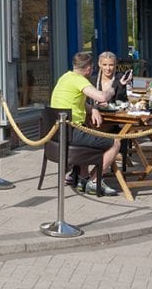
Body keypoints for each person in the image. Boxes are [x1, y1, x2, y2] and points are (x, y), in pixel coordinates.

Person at [48, 51, 122, 196]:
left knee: (87, 129)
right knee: (115, 143)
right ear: (89, 68)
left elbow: (76, 101)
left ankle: (82, 178)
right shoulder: (80, 80)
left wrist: (92, 109)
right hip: (71, 132)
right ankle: (94, 181)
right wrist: (111, 91)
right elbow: (101, 97)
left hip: (57, 133)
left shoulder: (65, 77)